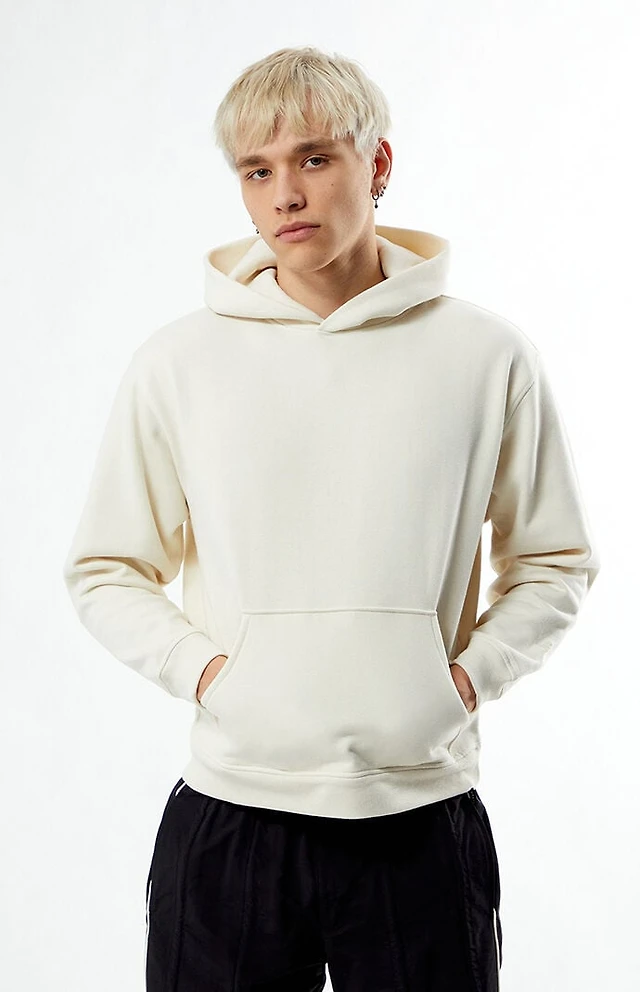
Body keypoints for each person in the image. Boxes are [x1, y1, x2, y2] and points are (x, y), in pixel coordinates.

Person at [61, 45, 600, 992]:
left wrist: (466, 680)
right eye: (257, 171)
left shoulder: (486, 357)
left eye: (314, 158)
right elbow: (107, 568)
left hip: (418, 816)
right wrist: (209, 673)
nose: (285, 195)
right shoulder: (178, 363)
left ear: (377, 163)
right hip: (232, 816)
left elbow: (554, 559)